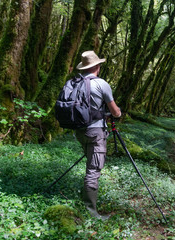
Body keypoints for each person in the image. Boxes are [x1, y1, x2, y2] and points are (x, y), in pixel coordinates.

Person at [75, 50, 121, 220]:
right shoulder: (102, 84)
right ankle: (91, 212)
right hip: (95, 133)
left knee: (90, 163)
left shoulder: (76, 82)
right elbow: (115, 111)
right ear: (96, 67)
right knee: (93, 170)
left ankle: (86, 197)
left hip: (79, 132)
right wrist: (117, 114)